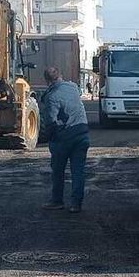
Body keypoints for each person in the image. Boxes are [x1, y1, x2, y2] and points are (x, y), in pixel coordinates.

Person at [40, 66, 90, 213]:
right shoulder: (74, 87)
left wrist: (47, 137)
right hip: (82, 134)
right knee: (78, 170)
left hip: (64, 137)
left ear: (47, 81)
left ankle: (57, 201)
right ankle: (76, 204)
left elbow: (50, 121)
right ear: (60, 75)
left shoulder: (52, 96)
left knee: (58, 170)